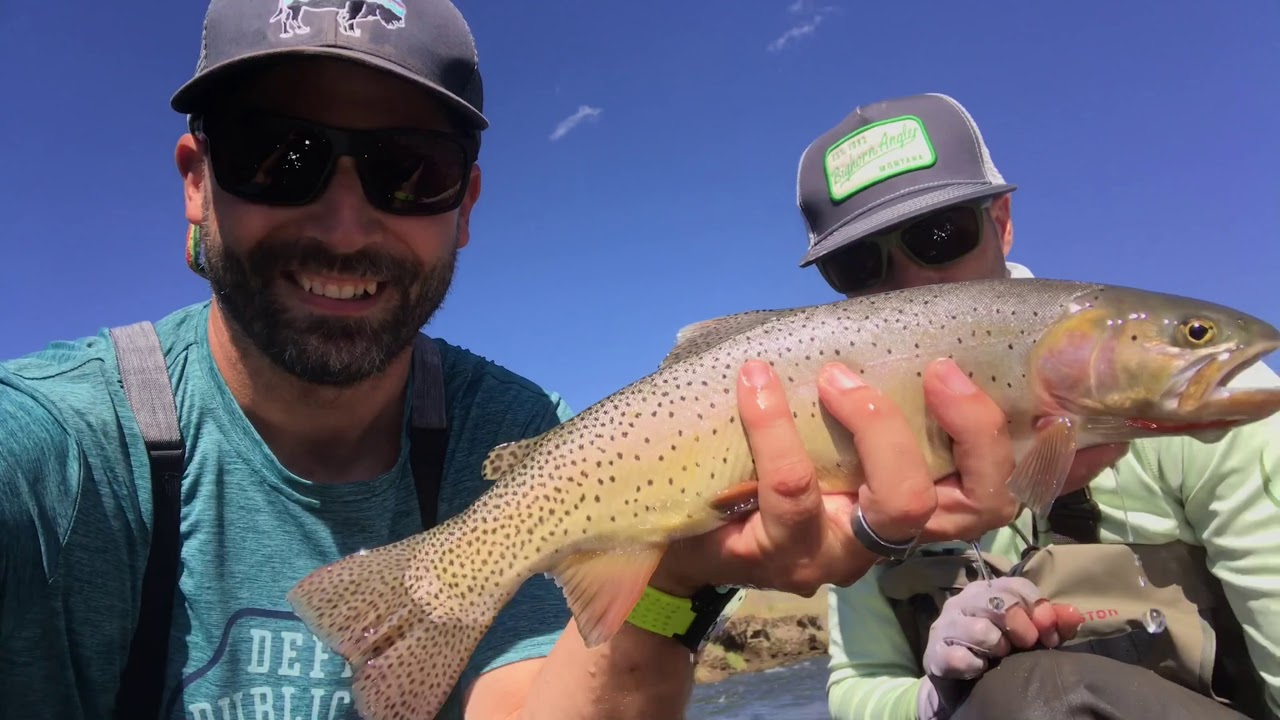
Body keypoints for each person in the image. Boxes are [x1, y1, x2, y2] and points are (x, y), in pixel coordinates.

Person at [0, 5, 1032, 720]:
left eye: (411, 169)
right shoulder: (47, 453)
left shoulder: (516, 423)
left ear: (466, 206)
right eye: (281, 154)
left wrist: (676, 575)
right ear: (195, 179)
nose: (346, 220)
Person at [794, 92, 1280, 720]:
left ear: (1000, 223)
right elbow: (859, 681)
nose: (910, 283)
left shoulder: (1198, 404)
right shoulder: (839, 452)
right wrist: (927, 698)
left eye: (940, 236)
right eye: (858, 264)